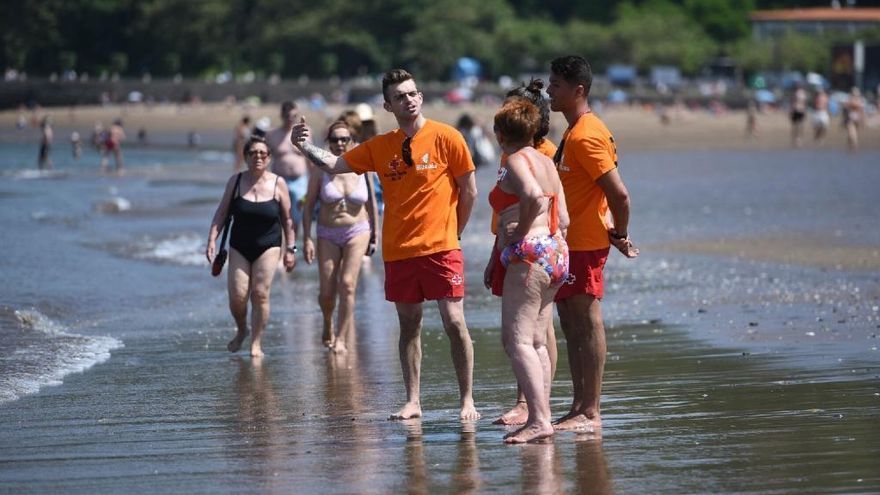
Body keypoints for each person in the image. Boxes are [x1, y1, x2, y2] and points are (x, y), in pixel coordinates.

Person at [291, 69, 480, 421]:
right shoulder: (380, 147)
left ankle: (467, 399)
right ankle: (413, 400)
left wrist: (456, 232)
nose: (408, 100)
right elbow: (334, 164)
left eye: (412, 93)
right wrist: (303, 145)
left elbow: (469, 192)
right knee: (409, 324)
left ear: (420, 97)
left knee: (454, 322)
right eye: (400, 96)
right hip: (399, 250)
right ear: (388, 105)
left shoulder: (447, 137)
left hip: (442, 248)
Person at [546, 55, 638, 435]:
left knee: (587, 321)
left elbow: (620, 194)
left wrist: (619, 232)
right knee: (570, 322)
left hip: (586, 242)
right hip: (569, 242)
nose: (549, 90)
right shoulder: (573, 130)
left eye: (556, 85)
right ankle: (578, 405)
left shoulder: (587, 134)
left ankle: (591, 410)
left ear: (577, 90)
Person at [489, 98, 570, 443]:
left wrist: (519, 234)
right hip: (556, 251)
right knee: (537, 340)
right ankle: (543, 415)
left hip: (529, 252)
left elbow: (534, 198)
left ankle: (538, 419)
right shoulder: (546, 161)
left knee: (516, 340)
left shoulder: (513, 162)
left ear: (500, 133)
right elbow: (563, 219)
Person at [206, 136, 297, 357]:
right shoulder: (235, 182)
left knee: (260, 293)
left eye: (262, 153)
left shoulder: (278, 183)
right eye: (253, 153)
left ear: (269, 158)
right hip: (239, 245)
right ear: (246, 157)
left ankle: (256, 343)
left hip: (269, 245)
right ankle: (241, 329)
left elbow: (287, 219)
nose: (258, 157)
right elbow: (221, 213)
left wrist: (291, 248)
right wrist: (211, 240)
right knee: (237, 296)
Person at [302, 121, 379, 353]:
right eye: (335, 139)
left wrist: (375, 234)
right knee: (327, 292)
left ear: (352, 142)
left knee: (347, 284)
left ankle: (342, 338)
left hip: (358, 230)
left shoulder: (363, 168)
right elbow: (308, 207)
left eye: (344, 139)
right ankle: (328, 323)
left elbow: (372, 203)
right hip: (327, 232)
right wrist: (306, 238)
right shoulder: (319, 171)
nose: (340, 144)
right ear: (328, 142)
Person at [267, 101, 312, 240]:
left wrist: (314, 181)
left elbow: (310, 157)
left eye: (294, 115)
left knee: (297, 214)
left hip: (300, 180)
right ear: (282, 115)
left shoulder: (306, 132)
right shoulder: (272, 134)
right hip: (280, 179)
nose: (290, 118)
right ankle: (281, 246)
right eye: (287, 115)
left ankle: (292, 246)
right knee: (281, 213)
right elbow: (265, 158)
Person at [843, 87, 865, 153]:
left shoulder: (860, 100)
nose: (855, 95)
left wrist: (863, 120)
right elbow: (845, 109)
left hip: (857, 119)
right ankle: (854, 146)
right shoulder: (849, 100)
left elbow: (862, 111)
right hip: (850, 119)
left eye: (856, 94)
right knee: (852, 133)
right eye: (853, 94)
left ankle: (851, 146)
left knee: (854, 133)